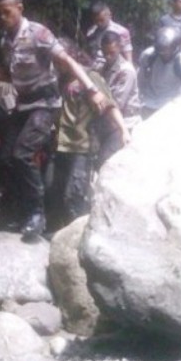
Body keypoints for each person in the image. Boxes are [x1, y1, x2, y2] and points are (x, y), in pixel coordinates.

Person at [0, 0, 105, 240]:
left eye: (7, 12)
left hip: (45, 104)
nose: (3, 18)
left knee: (23, 154)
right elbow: (10, 76)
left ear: (19, 9)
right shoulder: (5, 40)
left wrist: (91, 90)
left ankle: (36, 214)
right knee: (5, 156)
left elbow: (68, 61)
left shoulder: (38, 33)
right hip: (23, 105)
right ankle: (17, 211)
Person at [46, 48, 130, 232]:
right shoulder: (59, 79)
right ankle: (56, 234)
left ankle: (79, 236)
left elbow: (108, 105)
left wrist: (123, 129)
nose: (56, 65)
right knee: (52, 189)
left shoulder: (90, 77)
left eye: (59, 61)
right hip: (59, 145)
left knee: (74, 196)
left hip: (81, 145)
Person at [138, 26, 181, 119]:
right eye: (161, 51)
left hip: (172, 105)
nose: (164, 54)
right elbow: (140, 79)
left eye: (167, 51)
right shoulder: (148, 56)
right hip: (149, 103)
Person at [99, 30, 142, 131]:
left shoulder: (126, 71)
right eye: (105, 53)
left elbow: (117, 103)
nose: (108, 57)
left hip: (127, 122)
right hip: (110, 120)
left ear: (119, 48)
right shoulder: (104, 67)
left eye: (111, 53)